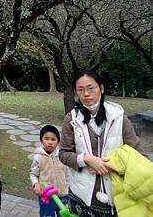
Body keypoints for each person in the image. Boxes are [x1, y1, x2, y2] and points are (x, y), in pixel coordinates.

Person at [59, 70, 143, 216]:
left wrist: (110, 166)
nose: (86, 94)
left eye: (91, 88)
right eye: (80, 89)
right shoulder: (72, 119)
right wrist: (86, 159)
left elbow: (140, 157)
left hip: (115, 196)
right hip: (81, 196)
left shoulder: (118, 118)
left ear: (101, 88)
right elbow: (63, 153)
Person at [30, 124, 69, 217]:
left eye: (53, 139)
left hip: (63, 195)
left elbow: (68, 174)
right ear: (41, 140)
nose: (50, 142)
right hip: (47, 197)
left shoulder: (62, 156)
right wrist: (35, 184)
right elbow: (33, 174)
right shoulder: (38, 157)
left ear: (58, 141)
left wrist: (69, 189)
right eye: (46, 139)